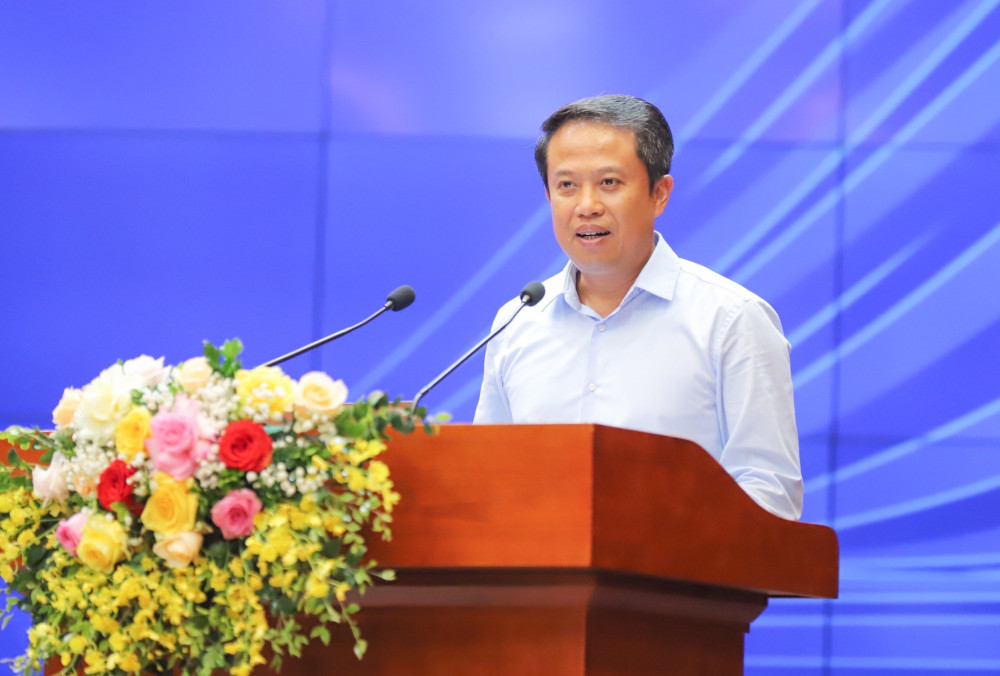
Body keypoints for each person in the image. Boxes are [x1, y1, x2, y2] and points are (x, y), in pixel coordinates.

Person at [473, 94, 802, 520]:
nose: (586, 206)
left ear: (659, 194)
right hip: (541, 563)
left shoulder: (731, 319)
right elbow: (487, 479)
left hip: (680, 563)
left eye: (609, 182)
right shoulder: (518, 321)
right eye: (567, 185)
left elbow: (769, 492)